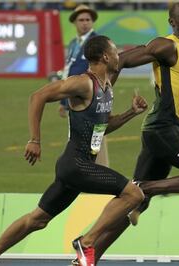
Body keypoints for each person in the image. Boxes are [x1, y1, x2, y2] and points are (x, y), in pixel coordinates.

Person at [0, 35, 148, 266]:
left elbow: (102, 128)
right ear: (105, 56)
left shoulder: (107, 88)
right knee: (134, 194)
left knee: (37, 219)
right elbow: (38, 96)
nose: (118, 55)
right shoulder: (83, 83)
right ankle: (87, 242)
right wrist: (35, 139)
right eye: (115, 51)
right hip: (76, 165)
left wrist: (131, 112)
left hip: (77, 167)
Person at [92, 1, 179, 263]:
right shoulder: (166, 45)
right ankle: (147, 187)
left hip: (167, 132)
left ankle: (88, 253)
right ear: (172, 22)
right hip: (162, 130)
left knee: (132, 201)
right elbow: (120, 61)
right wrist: (103, 100)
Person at [58, 4, 110, 167]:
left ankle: (100, 176)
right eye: (81, 20)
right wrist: (63, 102)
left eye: (88, 19)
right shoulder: (74, 43)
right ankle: (82, 175)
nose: (85, 23)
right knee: (77, 141)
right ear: (74, 22)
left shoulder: (97, 43)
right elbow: (69, 71)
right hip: (75, 99)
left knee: (95, 143)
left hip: (92, 99)